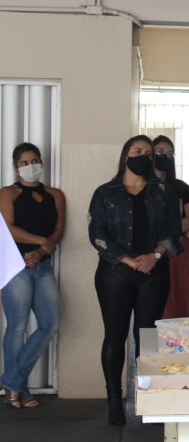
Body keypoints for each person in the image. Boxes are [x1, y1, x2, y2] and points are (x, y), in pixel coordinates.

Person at [89, 135, 183, 425]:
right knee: (114, 337)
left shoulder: (163, 191)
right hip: (115, 274)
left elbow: (174, 230)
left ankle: (148, 399)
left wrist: (154, 255)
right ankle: (114, 402)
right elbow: (96, 233)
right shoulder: (105, 192)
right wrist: (127, 259)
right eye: (137, 150)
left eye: (148, 152)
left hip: (153, 273)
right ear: (125, 156)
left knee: (147, 338)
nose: (143, 155)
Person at [0, 143, 65, 409]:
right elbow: (8, 228)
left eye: (35, 160)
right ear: (16, 167)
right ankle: (20, 390)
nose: (31, 166)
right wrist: (42, 241)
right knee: (17, 326)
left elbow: (59, 229)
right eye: (24, 162)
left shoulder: (55, 194)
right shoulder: (8, 193)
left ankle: (11, 381)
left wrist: (42, 250)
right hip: (16, 265)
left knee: (50, 323)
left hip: (42, 265)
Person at [152, 136, 189, 319]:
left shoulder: (180, 187)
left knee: (183, 298)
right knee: (159, 303)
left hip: (180, 250)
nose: (165, 156)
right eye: (160, 152)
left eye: (170, 154)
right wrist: (176, 225)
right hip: (152, 251)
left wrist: (163, 228)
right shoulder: (141, 187)